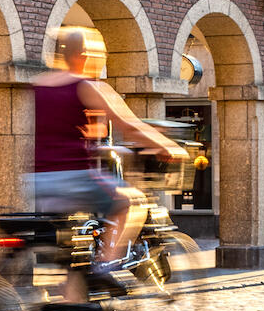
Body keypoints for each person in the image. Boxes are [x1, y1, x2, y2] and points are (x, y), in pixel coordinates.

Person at [31, 28, 185, 289]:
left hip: (39, 181)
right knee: (132, 202)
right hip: (74, 178)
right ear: (84, 55)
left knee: (72, 256)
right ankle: (104, 265)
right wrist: (166, 146)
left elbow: (57, 132)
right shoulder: (85, 86)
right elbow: (129, 125)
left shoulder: (40, 85)